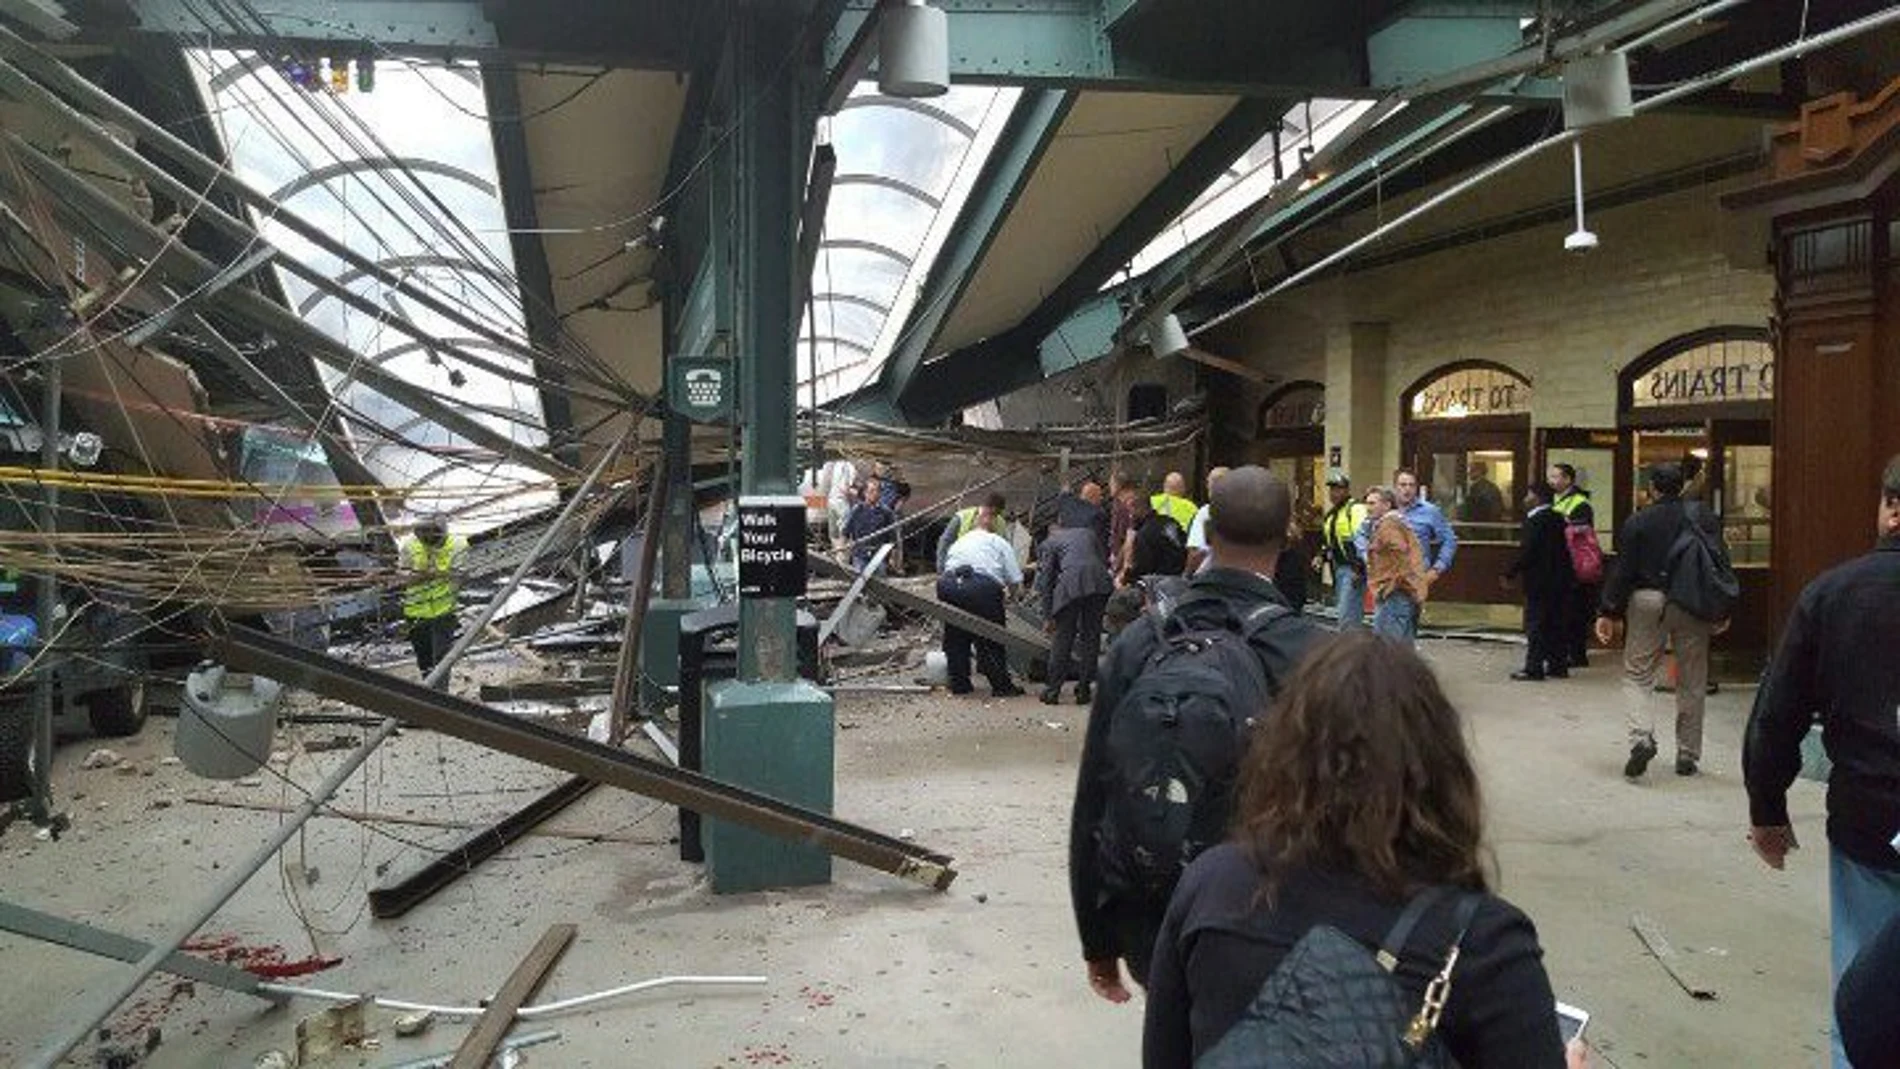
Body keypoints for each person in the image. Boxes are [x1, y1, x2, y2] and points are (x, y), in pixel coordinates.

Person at [1143, 632, 1575, 1069]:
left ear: (1281, 750)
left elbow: (1164, 1056)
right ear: (1441, 767)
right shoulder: (1482, 944)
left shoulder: (1212, 884)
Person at [1070, 466, 1324, 1003]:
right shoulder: (1317, 654)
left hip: (1155, 912)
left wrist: (1098, 938)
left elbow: (1096, 791)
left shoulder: (1141, 641)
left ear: (1207, 535)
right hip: (1273, 918)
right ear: (1287, 538)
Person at [1743, 454, 1900, 1069]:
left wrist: (1768, 812)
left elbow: (1776, 715)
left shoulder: (1833, 595)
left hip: (1869, 822)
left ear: (1890, 508)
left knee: (1863, 993)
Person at [1595, 462, 1729, 778]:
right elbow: (1720, 562)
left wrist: (1608, 610)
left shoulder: (1638, 521)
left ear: (1652, 488)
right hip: (1693, 600)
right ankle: (1687, 754)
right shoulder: (1703, 518)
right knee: (1693, 679)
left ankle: (1642, 736)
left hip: (1647, 600)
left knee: (1638, 674)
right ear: (1682, 485)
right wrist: (1721, 609)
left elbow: (1624, 570)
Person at [1036, 496, 1114, 706]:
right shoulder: (1088, 533)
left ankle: (1053, 691)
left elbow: (1046, 581)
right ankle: (1084, 690)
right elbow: (1102, 560)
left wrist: (1048, 615)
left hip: (1071, 585)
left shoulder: (1051, 542)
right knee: (1091, 637)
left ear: (1054, 526)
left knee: (1064, 637)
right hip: (1099, 585)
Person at [936, 520, 1026, 698]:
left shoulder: (960, 541)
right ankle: (1001, 686)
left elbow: (945, 565)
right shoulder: (998, 541)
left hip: (949, 584)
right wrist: (1014, 599)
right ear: (993, 530)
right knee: (990, 636)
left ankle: (960, 684)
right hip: (980, 586)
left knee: (956, 634)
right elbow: (1015, 578)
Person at [1504, 480, 1574, 681]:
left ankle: (1534, 667)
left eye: (1529, 494)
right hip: (1561, 580)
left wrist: (1511, 572)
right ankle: (1557, 665)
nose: (1525, 499)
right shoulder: (1559, 518)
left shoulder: (1535, 521)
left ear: (1537, 498)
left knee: (1536, 624)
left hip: (1539, 582)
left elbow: (1528, 552)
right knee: (1556, 622)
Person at [399, 514, 466, 687]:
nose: (427, 537)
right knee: (424, 659)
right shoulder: (409, 544)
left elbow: (459, 577)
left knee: (442, 660)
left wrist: (437, 573)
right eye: (423, 533)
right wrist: (419, 576)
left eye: (432, 533)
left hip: (444, 612)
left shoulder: (458, 545)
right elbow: (402, 575)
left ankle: (441, 696)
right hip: (415, 611)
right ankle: (429, 691)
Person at [1359, 485, 1428, 645]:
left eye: (1373, 503)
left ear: (1387, 505)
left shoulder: (1388, 525)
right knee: (1402, 652)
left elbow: (1401, 554)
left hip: (1394, 595)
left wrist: (1391, 585)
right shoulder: (1395, 522)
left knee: (1388, 651)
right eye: (1367, 503)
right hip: (1401, 593)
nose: (1368, 508)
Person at [1549, 463, 1596, 669]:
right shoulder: (1555, 500)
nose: (1552, 481)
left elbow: (1578, 533)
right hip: (1558, 563)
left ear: (1568, 479)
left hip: (1574, 564)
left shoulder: (1580, 503)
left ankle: (1576, 653)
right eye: (1550, 477)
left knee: (1574, 612)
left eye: (1556, 477)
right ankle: (1565, 650)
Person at [1319, 469, 1367, 629]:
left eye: (1338, 489)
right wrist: (1321, 556)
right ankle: (1352, 649)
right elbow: (1330, 542)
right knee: (1345, 613)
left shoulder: (1355, 509)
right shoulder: (1332, 515)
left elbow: (1362, 539)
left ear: (1346, 490)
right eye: (1331, 489)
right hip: (1338, 569)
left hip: (1353, 570)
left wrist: (1359, 569)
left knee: (1347, 616)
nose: (1334, 493)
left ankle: (1349, 650)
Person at [1395, 468, 1458, 588]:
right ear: (1395, 487)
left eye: (1411, 485)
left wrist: (1437, 569)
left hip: (1416, 576)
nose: (1407, 489)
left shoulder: (1430, 511)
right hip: (1388, 577)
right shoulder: (1386, 508)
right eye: (1403, 485)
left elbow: (1450, 539)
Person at [1122, 490, 1188, 585]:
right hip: (1181, 581)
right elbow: (1186, 547)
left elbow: (1142, 569)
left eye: (1130, 511)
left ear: (1138, 508)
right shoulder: (1170, 522)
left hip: (1160, 586)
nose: (1130, 516)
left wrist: (1126, 578)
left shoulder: (1144, 534)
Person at [935, 492, 1009, 572]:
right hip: (960, 564)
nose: (993, 517)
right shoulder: (962, 517)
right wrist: (941, 567)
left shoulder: (1001, 523)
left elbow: (1004, 549)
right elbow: (945, 541)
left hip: (986, 568)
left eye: (997, 514)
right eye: (993, 512)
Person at [841, 474, 896, 572]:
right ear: (865, 493)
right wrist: (843, 554)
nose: (875, 494)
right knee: (859, 582)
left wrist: (893, 557)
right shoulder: (857, 510)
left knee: (880, 582)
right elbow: (845, 532)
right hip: (860, 554)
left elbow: (892, 537)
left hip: (879, 555)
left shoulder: (886, 512)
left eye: (877, 491)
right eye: (871, 491)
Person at [1183, 467, 1231, 575]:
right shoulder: (1243, 511)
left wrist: (1186, 575)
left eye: (1208, 482)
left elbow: (1197, 552)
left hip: (1208, 579)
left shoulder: (1207, 512)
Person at [1463, 460, 1506, 526]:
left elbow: (1475, 509)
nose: (1469, 473)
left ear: (1479, 471)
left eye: (1472, 470)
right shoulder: (1491, 486)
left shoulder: (1480, 488)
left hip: (1483, 525)